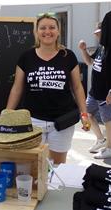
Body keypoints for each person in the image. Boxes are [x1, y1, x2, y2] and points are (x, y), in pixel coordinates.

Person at [7, 13, 90, 164]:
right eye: (43, 28)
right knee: (34, 164)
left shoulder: (68, 56)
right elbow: (17, 88)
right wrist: (7, 115)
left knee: (57, 166)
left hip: (62, 121)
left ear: (58, 32)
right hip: (32, 121)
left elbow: (77, 88)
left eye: (52, 27)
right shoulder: (26, 57)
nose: (47, 31)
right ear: (36, 32)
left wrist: (84, 114)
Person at [78, 22, 111, 159]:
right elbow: (90, 63)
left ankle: (110, 149)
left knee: (108, 121)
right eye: (97, 33)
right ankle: (101, 140)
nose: (98, 35)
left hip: (106, 93)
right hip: (94, 91)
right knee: (86, 114)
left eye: (100, 33)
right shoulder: (101, 47)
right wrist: (83, 50)